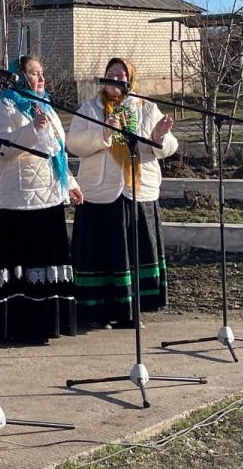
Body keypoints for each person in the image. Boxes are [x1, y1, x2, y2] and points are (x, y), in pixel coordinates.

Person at [66, 57, 176, 329]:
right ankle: (98, 312)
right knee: (103, 254)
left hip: (135, 191)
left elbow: (167, 145)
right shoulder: (91, 109)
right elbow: (74, 144)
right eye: (110, 74)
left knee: (133, 253)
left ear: (130, 80)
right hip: (100, 192)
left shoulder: (146, 107)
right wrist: (103, 133)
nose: (114, 79)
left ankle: (131, 311)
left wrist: (160, 137)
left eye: (120, 75)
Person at [0, 55, 82, 344]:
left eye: (41, 73)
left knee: (46, 259)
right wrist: (32, 129)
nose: (40, 78)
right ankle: (19, 325)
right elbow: (0, 150)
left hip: (49, 196)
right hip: (18, 200)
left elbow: (57, 152)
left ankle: (48, 323)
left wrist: (70, 184)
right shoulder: (6, 104)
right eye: (33, 73)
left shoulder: (46, 105)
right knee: (22, 263)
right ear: (19, 76)